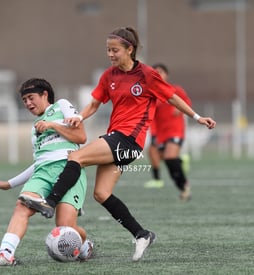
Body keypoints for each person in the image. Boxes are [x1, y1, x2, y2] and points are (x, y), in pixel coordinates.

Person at [19, 27, 216, 261]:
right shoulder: (109, 76)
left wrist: (197, 117)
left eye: (115, 50)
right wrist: (79, 117)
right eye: (108, 50)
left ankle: (50, 201)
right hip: (117, 139)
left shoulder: (147, 75)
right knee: (101, 194)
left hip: (129, 140)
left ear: (129, 50)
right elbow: (94, 103)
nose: (110, 54)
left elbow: (172, 96)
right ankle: (141, 234)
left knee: (76, 157)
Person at [0, 78, 93, 267]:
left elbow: (81, 137)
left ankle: (84, 245)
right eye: (24, 101)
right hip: (42, 173)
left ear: (45, 94)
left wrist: (53, 125)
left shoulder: (62, 106)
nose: (28, 104)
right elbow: (39, 162)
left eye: (31, 98)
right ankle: (6, 254)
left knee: (65, 228)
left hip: (69, 168)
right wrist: (9, 183)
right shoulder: (35, 130)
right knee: (21, 206)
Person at [144, 63, 192, 201]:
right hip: (161, 134)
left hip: (175, 131)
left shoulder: (176, 90)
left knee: (170, 157)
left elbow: (187, 101)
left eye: (160, 72)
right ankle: (178, 180)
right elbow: (151, 117)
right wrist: (153, 134)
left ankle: (184, 185)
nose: (158, 75)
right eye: (155, 72)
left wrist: (181, 107)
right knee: (154, 153)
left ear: (167, 74)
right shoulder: (152, 94)